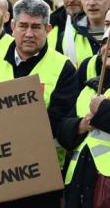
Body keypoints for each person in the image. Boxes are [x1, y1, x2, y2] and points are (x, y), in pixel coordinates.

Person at [0, 0, 78, 208]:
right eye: (23, 26)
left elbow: (58, 121)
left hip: (40, 178)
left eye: (36, 27)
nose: (29, 34)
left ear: (48, 29)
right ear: (12, 27)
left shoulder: (63, 68)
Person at [57, 29, 110, 208]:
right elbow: (62, 128)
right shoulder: (91, 86)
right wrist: (80, 125)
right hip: (80, 183)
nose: (107, 48)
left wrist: (101, 110)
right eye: (105, 42)